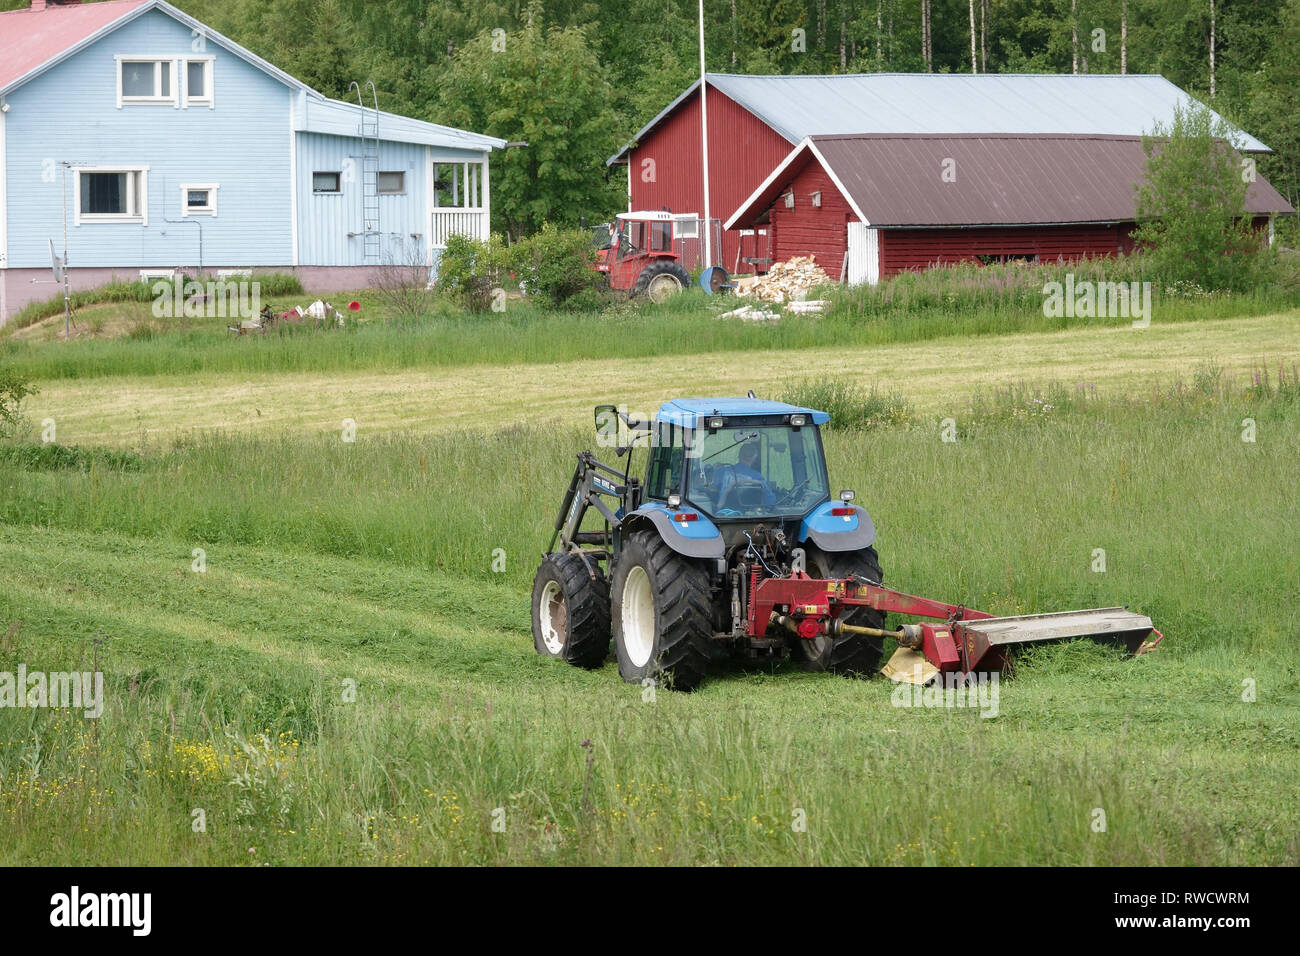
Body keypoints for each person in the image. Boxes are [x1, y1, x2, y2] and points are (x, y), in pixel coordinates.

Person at [717, 440, 777, 510]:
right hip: (748, 515)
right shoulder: (757, 477)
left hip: (721, 514)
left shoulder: (721, 472)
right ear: (754, 458)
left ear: (739, 455)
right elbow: (771, 502)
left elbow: (712, 491)